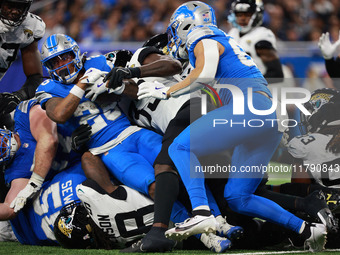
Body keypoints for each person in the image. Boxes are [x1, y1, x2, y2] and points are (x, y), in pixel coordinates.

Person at [136, 1, 327, 251]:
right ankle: (308, 231)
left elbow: (202, 76)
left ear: (184, 24)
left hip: (249, 107)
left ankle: (202, 212)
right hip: (266, 116)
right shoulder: (222, 38)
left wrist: (166, 90)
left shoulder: (201, 35)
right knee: (238, 197)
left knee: (180, 147)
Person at [0, 98, 81, 221]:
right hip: (78, 168)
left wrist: (35, 181)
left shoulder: (23, 115)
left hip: (92, 134)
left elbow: (49, 141)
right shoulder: (16, 171)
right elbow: (9, 208)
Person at [0, 0, 45, 204]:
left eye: (20, 6)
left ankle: (6, 212)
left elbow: (36, 76)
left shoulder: (29, 27)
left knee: (9, 147)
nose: (14, 11)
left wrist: (18, 95)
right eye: (10, 4)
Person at [227, 0, 283, 83]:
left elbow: (276, 74)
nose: (242, 18)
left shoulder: (261, 35)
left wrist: (253, 83)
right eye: (239, 14)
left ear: (256, 15)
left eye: (247, 15)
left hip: (256, 90)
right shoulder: (232, 33)